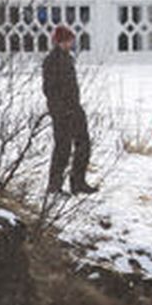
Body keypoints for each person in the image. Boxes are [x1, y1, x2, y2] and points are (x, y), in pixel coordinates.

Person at [42, 24, 94, 195]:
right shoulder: (52, 61)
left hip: (74, 108)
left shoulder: (66, 58)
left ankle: (78, 181)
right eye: (68, 40)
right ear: (61, 41)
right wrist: (60, 110)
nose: (71, 43)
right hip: (62, 111)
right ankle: (55, 186)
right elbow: (50, 89)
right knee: (63, 148)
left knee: (83, 144)